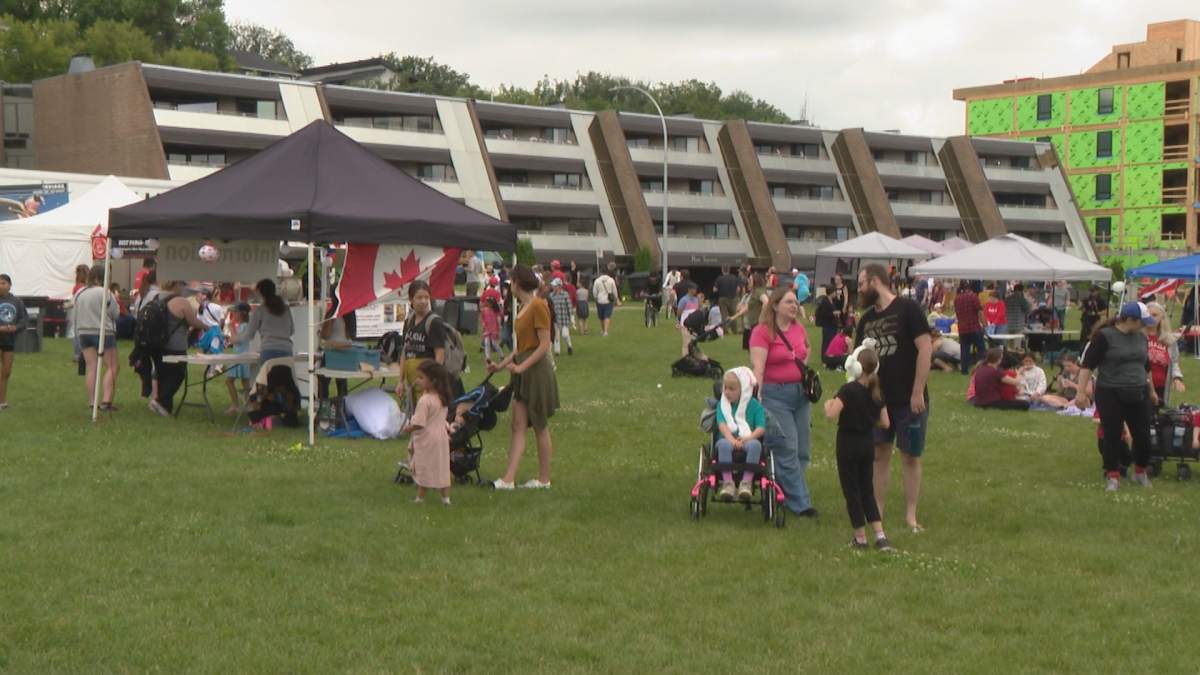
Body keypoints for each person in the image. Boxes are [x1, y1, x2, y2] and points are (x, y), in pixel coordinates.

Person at [855, 263, 932, 533]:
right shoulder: (865, 321)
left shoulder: (908, 309)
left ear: (875, 282)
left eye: (862, 284)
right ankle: (878, 512)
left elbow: (925, 349)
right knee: (879, 454)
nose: (860, 290)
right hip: (877, 401)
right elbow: (859, 364)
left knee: (910, 456)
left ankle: (911, 516)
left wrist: (917, 391)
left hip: (909, 399)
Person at [488, 265, 559, 490]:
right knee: (518, 425)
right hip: (523, 368)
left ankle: (544, 479)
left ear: (517, 283)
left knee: (539, 424)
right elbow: (520, 348)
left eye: (511, 281)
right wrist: (500, 366)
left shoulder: (538, 305)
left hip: (536, 371)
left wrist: (521, 368)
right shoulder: (523, 306)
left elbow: (544, 345)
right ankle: (508, 479)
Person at [1075, 302, 1158, 492]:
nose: (1146, 326)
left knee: (1143, 436)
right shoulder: (1105, 337)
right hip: (1110, 392)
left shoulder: (1141, 337)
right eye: (1142, 322)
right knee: (1112, 435)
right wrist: (1080, 392)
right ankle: (1113, 476)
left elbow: (1146, 366)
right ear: (1129, 319)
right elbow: (1087, 365)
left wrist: (1152, 391)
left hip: (1139, 391)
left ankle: (1140, 472)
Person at [749, 287, 817, 517]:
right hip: (775, 395)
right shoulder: (762, 332)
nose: (794, 306)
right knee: (786, 447)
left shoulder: (798, 329)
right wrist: (757, 393)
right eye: (789, 302)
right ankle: (801, 504)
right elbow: (758, 367)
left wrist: (802, 371)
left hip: (800, 395)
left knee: (803, 450)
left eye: (796, 302)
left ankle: (788, 489)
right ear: (775, 306)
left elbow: (807, 350)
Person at [824, 344, 894, 551]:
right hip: (867, 443)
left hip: (847, 444)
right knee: (867, 491)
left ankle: (860, 538)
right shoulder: (877, 392)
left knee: (851, 491)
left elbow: (831, 415)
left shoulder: (848, 390)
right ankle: (881, 536)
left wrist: (828, 403)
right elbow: (886, 423)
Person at [149, 281, 208, 416]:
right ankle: (160, 401)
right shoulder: (181, 301)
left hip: (159, 344)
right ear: (176, 285)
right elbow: (193, 321)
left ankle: (164, 407)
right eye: (182, 285)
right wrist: (207, 327)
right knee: (178, 375)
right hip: (176, 345)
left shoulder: (157, 297)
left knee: (163, 375)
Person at [404, 360, 454, 505]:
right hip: (442, 438)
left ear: (433, 381)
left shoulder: (425, 400)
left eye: (421, 378)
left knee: (424, 466)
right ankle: (445, 498)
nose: (417, 381)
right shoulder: (442, 397)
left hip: (427, 439)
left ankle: (420, 498)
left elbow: (419, 422)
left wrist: (408, 428)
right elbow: (441, 418)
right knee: (442, 466)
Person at [714, 367, 766, 502]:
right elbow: (722, 425)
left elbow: (761, 427)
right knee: (723, 445)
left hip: (748, 438)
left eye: (732, 389)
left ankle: (746, 483)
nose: (727, 392)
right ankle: (728, 483)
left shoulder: (755, 406)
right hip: (727, 438)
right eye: (725, 388)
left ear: (743, 390)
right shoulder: (723, 405)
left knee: (755, 445)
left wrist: (748, 438)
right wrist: (732, 440)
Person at [75, 265, 121, 411]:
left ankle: (92, 401)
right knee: (112, 366)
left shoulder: (79, 292)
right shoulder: (105, 292)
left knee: (91, 367)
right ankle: (106, 401)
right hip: (103, 332)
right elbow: (115, 314)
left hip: (84, 332)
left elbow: (75, 313)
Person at [393, 280, 447, 404]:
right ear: (411, 299)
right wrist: (400, 381)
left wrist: (431, 384)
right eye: (419, 297)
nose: (423, 301)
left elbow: (440, 355)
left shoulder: (434, 322)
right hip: (411, 382)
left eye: (426, 297)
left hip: (428, 383)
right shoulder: (408, 322)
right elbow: (404, 352)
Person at [237, 279, 295, 365]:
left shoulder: (260, 310)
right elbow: (291, 331)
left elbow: (249, 334)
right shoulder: (286, 309)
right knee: (284, 378)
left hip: (269, 350)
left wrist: (236, 339)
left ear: (260, 293)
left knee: (269, 377)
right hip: (286, 350)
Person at [1145, 302, 1184, 406]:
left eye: (1155, 315)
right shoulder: (1139, 337)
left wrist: (1177, 378)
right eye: (1148, 314)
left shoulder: (1169, 340)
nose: (1151, 318)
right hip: (1141, 386)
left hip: (1161, 387)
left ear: (1162, 317)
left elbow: (1174, 362)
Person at [0, 274, 27, 410]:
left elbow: (23, 320)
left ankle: (2, 401)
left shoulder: (17, 301)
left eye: (3, 283)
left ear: (10, 285)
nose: (1, 286)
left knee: (6, 372)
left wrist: (15, 327)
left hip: (9, 341)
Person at [224, 303, 252, 415]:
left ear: (241, 313)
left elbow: (236, 341)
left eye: (234, 312)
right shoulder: (242, 326)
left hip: (242, 357)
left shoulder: (244, 326)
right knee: (243, 382)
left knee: (232, 381)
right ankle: (245, 404)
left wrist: (231, 328)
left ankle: (238, 405)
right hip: (239, 356)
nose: (233, 314)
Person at [953, 280, 986, 375]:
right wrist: (984, 324)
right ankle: (982, 369)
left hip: (962, 328)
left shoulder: (957, 299)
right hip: (974, 327)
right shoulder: (973, 296)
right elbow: (979, 312)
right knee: (981, 350)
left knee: (964, 351)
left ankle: (964, 370)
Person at [712, 266, 742, 334]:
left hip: (723, 299)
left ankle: (725, 331)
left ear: (722, 270)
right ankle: (735, 331)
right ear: (729, 270)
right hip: (733, 299)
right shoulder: (734, 277)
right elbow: (738, 289)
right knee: (733, 315)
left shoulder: (720, 278)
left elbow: (715, 290)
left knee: (724, 315)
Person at [548, 278, 574, 356]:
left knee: (565, 335)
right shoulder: (551, 295)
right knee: (556, 335)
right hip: (555, 319)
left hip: (564, 319)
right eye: (553, 286)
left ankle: (569, 346)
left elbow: (569, 306)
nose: (553, 287)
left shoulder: (565, 294)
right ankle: (557, 351)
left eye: (554, 286)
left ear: (559, 286)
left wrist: (572, 317)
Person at [592, 267, 620, 337]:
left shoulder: (597, 281)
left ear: (601, 272)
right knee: (607, 316)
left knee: (601, 317)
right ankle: (606, 331)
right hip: (608, 301)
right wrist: (616, 299)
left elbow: (594, 292)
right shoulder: (611, 280)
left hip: (600, 300)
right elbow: (614, 291)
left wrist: (595, 299)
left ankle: (603, 330)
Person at [677, 285, 702, 357]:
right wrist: (680, 321)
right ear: (689, 289)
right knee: (686, 342)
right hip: (685, 324)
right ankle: (685, 357)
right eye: (693, 289)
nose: (695, 291)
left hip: (694, 324)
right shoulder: (684, 300)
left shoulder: (696, 299)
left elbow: (698, 310)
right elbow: (679, 312)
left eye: (695, 289)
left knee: (694, 342)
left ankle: (693, 356)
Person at [481, 296, 504, 362]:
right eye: (488, 302)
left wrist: (499, 326)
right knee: (487, 342)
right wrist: (483, 324)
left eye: (490, 302)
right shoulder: (485, 310)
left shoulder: (496, 311)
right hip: (487, 329)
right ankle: (488, 357)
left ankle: (501, 355)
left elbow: (498, 319)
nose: (488, 304)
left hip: (494, 329)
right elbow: (482, 318)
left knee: (494, 343)